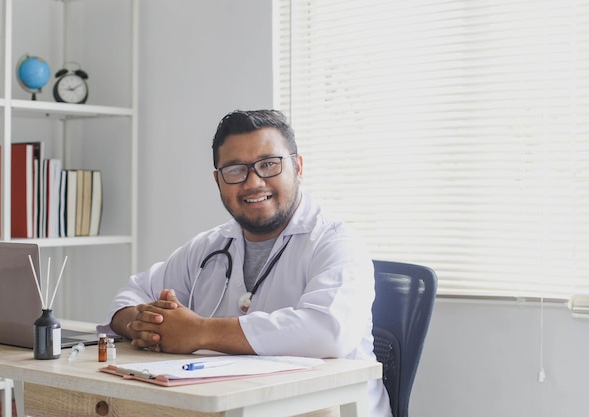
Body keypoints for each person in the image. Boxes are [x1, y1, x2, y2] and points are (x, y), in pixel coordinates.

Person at [100, 109, 392, 417]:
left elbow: (329, 331)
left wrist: (199, 331)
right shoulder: (209, 247)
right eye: (235, 170)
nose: (253, 182)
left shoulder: (335, 241)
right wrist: (145, 327)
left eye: (268, 164)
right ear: (218, 180)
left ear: (298, 167)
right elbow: (131, 295)